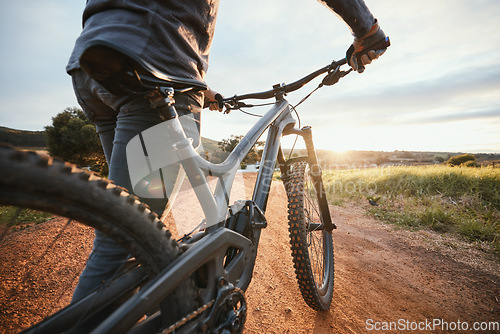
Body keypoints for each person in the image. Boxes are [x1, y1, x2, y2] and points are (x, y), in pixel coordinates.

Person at [67, 0, 388, 303]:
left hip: (94, 63)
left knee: (128, 217)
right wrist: (367, 32)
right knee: (124, 236)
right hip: (155, 70)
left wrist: (202, 89)